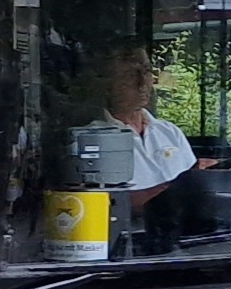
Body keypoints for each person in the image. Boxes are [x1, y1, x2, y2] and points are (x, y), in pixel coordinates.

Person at [76, 46, 206, 213]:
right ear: (107, 84)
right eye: (130, 75)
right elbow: (104, 206)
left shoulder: (169, 131)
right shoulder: (90, 140)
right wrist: (179, 185)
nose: (142, 82)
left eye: (146, 71)